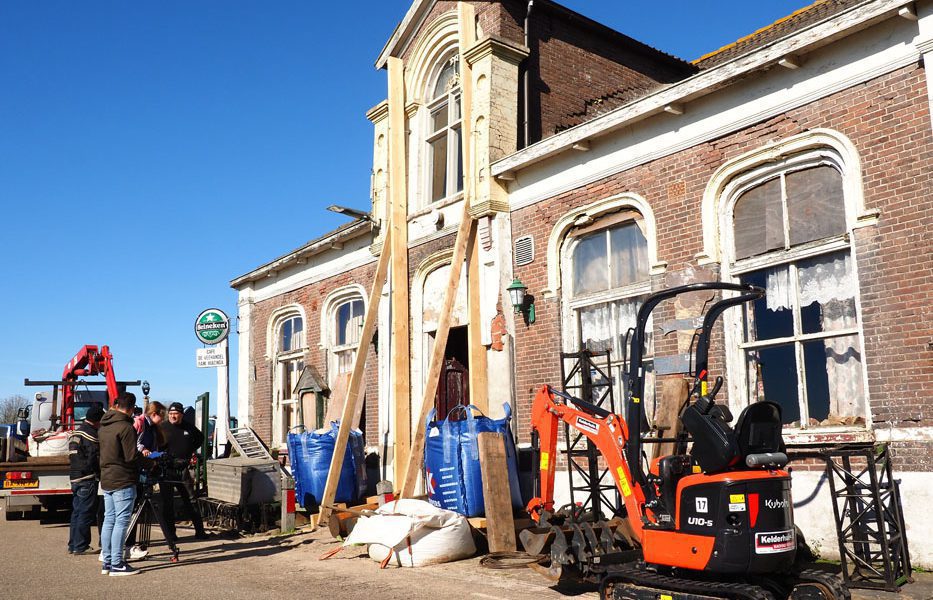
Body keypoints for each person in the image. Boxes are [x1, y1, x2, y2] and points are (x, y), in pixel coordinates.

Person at [99, 392, 144, 576]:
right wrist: (151, 463)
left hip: (107, 477)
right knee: (121, 521)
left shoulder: (104, 426)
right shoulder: (126, 427)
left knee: (109, 519)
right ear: (132, 408)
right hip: (122, 478)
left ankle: (107, 561)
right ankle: (117, 563)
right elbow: (131, 456)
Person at [159, 402, 207, 541]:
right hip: (167, 469)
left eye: (176, 414)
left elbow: (200, 438)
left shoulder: (188, 427)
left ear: (181, 415)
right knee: (167, 502)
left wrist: (189, 450)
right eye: (171, 414)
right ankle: (171, 535)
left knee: (191, 499)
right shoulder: (162, 428)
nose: (173, 416)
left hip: (183, 468)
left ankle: (200, 531)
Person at [126, 400, 166, 560]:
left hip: (145, 467)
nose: (162, 421)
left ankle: (130, 544)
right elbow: (135, 443)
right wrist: (144, 451)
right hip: (138, 469)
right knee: (133, 510)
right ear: (154, 414)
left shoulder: (152, 427)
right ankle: (128, 545)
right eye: (161, 416)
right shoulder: (141, 423)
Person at [68, 404, 104, 555]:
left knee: (76, 512)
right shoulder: (90, 435)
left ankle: (73, 544)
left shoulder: (77, 433)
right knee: (85, 513)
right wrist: (98, 472)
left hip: (74, 477)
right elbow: (92, 458)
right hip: (87, 477)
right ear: (97, 420)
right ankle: (81, 545)